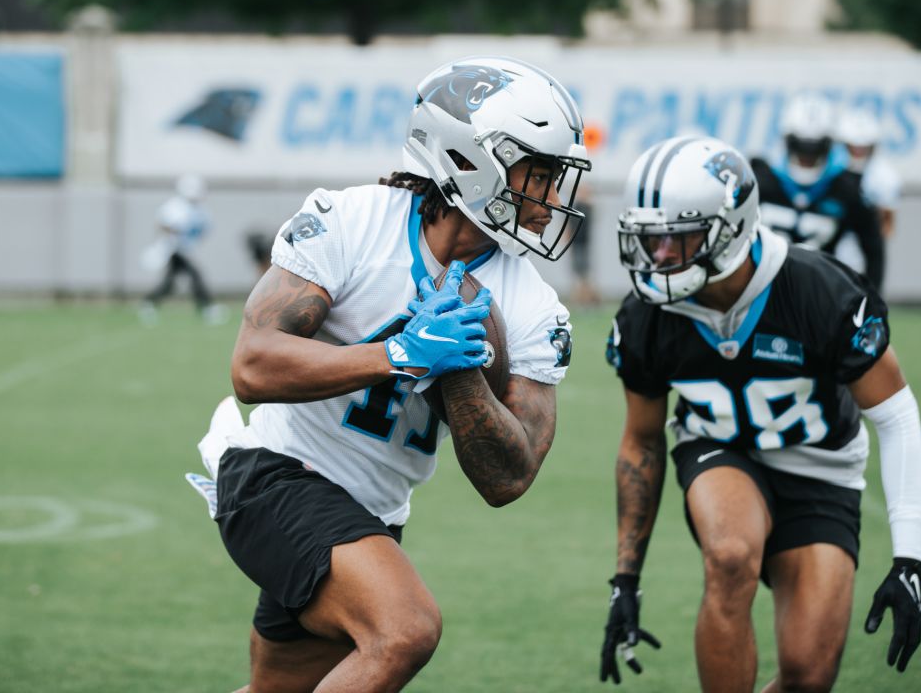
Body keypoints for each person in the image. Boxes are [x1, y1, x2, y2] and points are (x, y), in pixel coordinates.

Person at [195, 56, 588, 693]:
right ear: (469, 159)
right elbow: (253, 364)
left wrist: (460, 374)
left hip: (371, 517)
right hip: (277, 476)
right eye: (537, 173)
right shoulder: (351, 222)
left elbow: (509, 478)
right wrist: (401, 354)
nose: (550, 199)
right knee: (404, 630)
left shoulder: (533, 306)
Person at [598, 136, 921, 691]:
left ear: (731, 229)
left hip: (822, 466)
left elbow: (895, 415)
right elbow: (644, 443)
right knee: (730, 555)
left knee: (807, 675)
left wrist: (909, 560)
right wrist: (625, 580)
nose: (657, 259)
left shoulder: (819, 292)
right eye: (650, 241)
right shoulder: (646, 318)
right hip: (719, 450)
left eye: (677, 240)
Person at [750, 93, 886, 291]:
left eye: (815, 147)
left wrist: (873, 296)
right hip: (762, 287)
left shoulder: (846, 187)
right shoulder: (761, 178)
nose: (807, 155)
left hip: (818, 292)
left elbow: (873, 247)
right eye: (801, 145)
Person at [141, 173, 225, 324]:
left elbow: (204, 229)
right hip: (173, 249)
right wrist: (175, 231)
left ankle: (149, 303)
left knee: (170, 283)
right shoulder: (174, 206)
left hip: (185, 249)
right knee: (195, 275)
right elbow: (162, 224)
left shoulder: (200, 210)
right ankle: (207, 307)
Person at [835, 108, 903, 240]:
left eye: (863, 148)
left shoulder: (886, 178)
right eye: (853, 148)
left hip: (864, 242)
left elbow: (888, 226)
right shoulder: (831, 172)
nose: (858, 154)